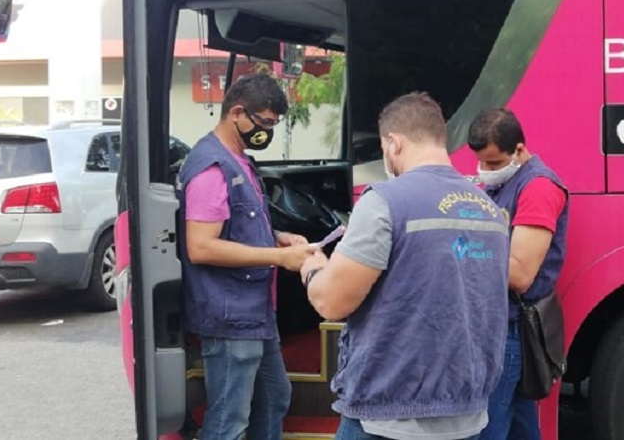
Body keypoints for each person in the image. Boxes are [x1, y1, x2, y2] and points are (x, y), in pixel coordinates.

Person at [300, 92, 510, 440]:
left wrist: (312, 267)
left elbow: (331, 302)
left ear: (393, 143)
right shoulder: (489, 210)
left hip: (388, 415)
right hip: (467, 414)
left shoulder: (384, 201)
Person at [176, 73, 316, 440]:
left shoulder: (240, 161)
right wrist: (278, 257)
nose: (267, 131)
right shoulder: (212, 169)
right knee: (229, 420)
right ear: (237, 113)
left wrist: (279, 238)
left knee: (274, 398)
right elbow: (201, 246)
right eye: (265, 122)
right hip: (230, 316)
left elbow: (237, 225)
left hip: (253, 312)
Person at [467, 108, 569, 440]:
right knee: (520, 430)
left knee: (488, 430)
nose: (485, 171)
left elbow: (520, 274)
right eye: (481, 163)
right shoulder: (507, 182)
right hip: (501, 327)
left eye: (494, 163)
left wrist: (459, 254)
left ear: (520, 150)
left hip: (510, 331)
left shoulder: (538, 188)